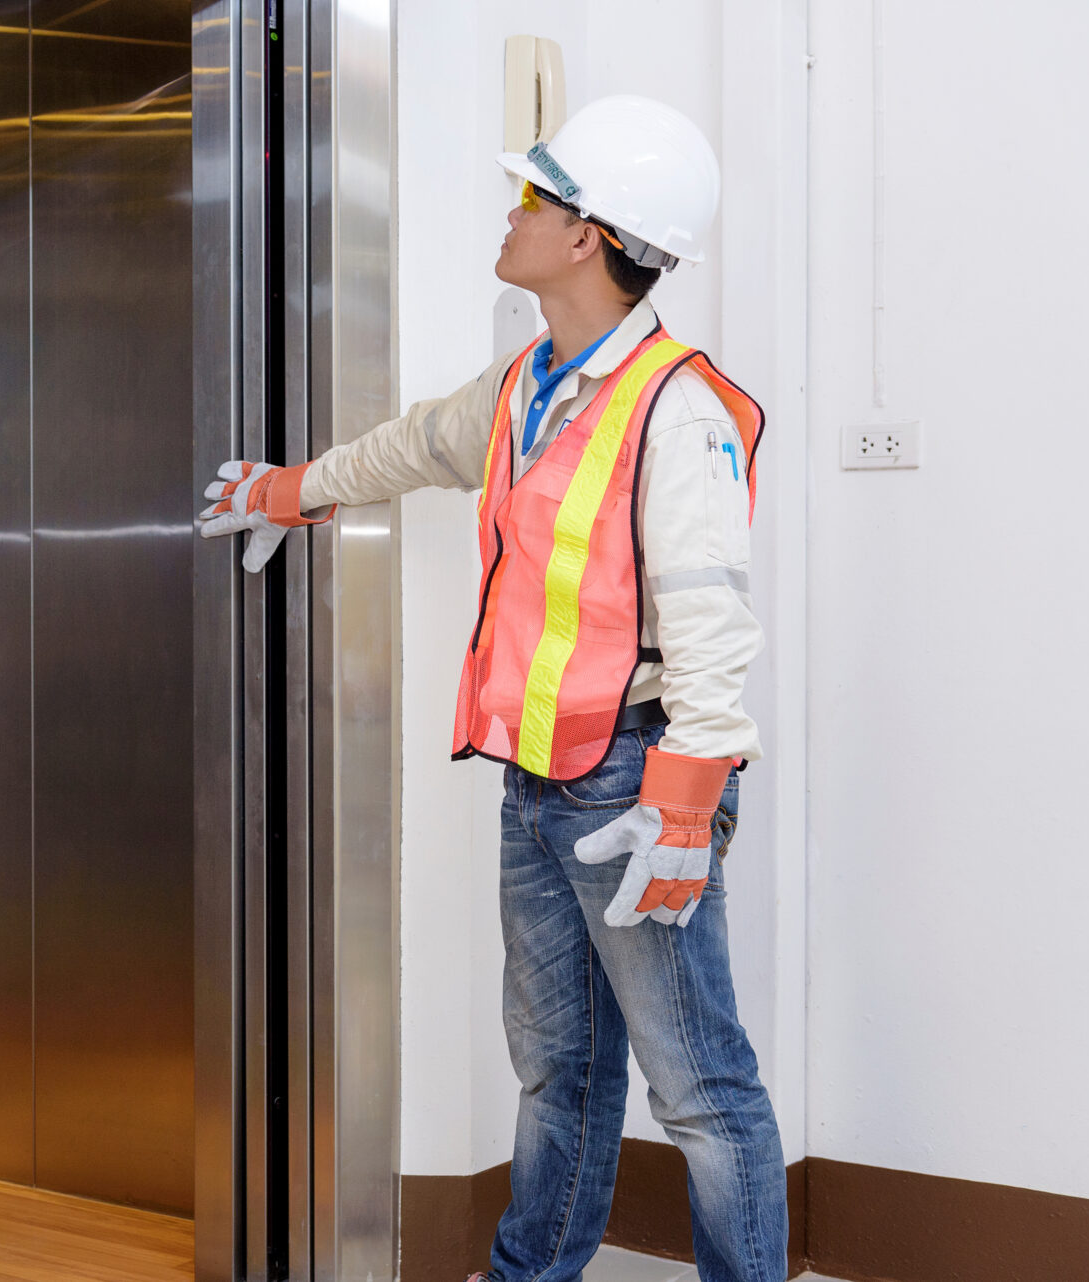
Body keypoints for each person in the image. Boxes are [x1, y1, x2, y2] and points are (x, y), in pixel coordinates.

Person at [199, 95, 789, 1282]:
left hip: (636, 786)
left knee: (701, 1087)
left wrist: (684, 803)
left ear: (589, 236)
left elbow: (713, 615)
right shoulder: (531, 382)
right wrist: (291, 490)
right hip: (536, 780)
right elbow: (419, 444)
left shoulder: (675, 406)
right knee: (557, 1068)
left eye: (536, 196)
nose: (512, 212)